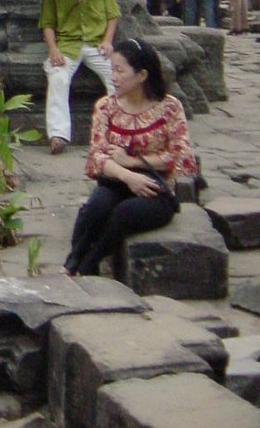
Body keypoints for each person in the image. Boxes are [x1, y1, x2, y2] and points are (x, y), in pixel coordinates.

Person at [63, 38, 197, 276]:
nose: (113, 77)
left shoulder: (170, 107)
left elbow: (178, 155)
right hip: (117, 180)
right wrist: (127, 175)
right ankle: (72, 261)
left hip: (155, 187)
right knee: (97, 206)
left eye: (120, 71)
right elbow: (97, 157)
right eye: (112, 70)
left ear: (142, 75)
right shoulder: (106, 107)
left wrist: (132, 161)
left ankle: (88, 264)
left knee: (124, 213)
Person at [39, 0, 118, 155]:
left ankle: (119, 131)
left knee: (117, 76)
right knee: (58, 78)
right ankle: (58, 135)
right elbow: (47, 24)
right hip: (67, 46)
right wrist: (53, 50)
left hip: (96, 44)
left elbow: (112, 15)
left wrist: (107, 41)